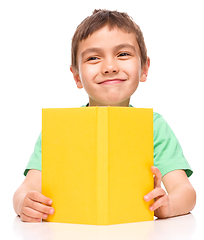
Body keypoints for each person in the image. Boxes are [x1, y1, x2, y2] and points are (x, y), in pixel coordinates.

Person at [13, 9, 196, 222]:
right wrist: (24, 203)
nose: (109, 67)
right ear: (76, 76)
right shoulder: (59, 129)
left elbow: (186, 192)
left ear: (144, 69)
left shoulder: (154, 126)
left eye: (123, 54)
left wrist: (169, 205)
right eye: (93, 57)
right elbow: (25, 189)